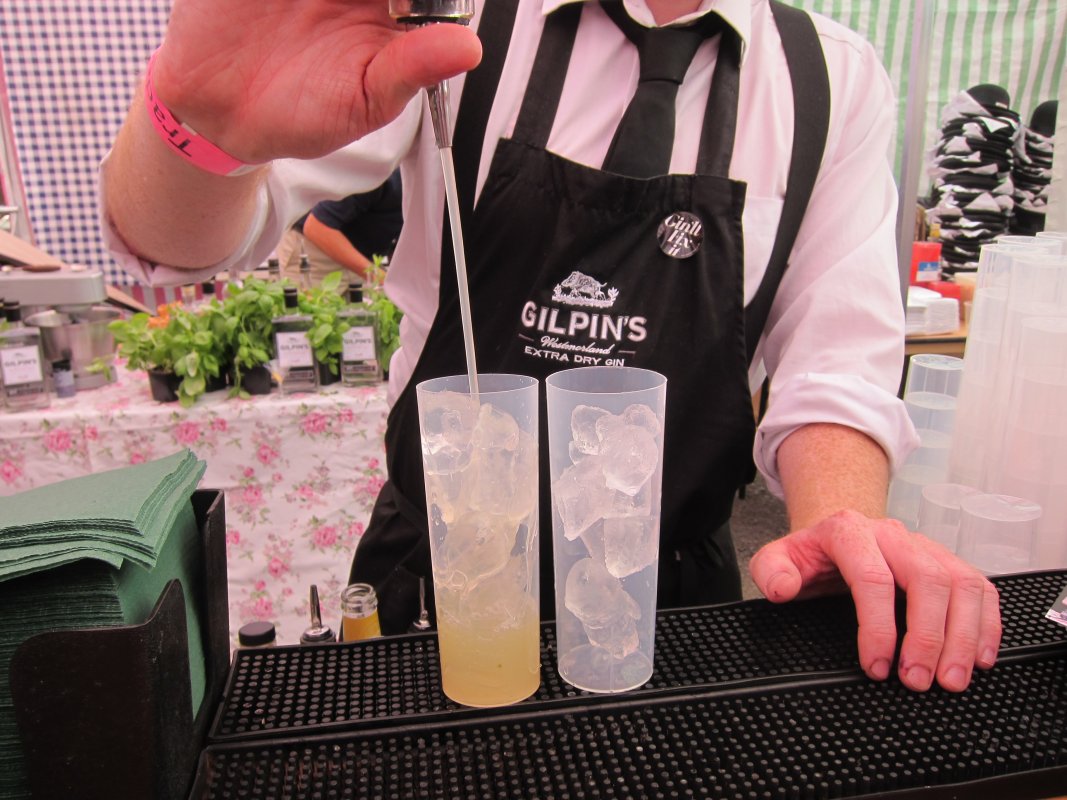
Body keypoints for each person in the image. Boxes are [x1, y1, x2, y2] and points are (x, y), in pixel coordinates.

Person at [101, 0, 1001, 693]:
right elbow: (175, 243)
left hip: (665, 611)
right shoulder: (449, 24)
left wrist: (839, 518)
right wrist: (198, 124)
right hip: (439, 588)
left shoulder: (831, 80)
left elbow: (835, 369)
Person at [273, 170, 403, 288]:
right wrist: (379, 276)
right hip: (316, 250)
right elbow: (316, 227)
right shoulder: (381, 176)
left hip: (362, 257)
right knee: (314, 306)